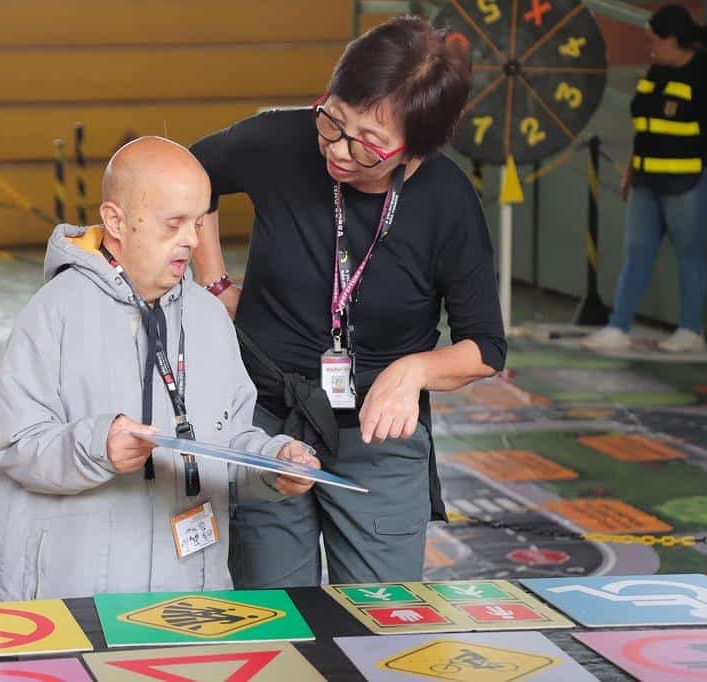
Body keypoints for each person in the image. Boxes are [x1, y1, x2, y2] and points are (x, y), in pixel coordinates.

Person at [189, 16, 507, 587]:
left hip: (379, 439)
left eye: (368, 144)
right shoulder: (279, 141)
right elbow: (190, 174)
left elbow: (485, 347)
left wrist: (415, 371)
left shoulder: (447, 200)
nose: (337, 149)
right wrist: (214, 283)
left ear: (418, 148)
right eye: (333, 119)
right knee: (276, 619)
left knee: (381, 617)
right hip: (267, 423)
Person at [0, 137, 320, 601]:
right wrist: (97, 445)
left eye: (199, 222)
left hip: (188, 595)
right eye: (174, 224)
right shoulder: (54, 312)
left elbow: (228, 440)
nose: (192, 239)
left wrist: (273, 464)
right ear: (116, 221)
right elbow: (18, 448)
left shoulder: (208, 317)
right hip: (77, 597)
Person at [584, 5, 707, 354]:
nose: (649, 48)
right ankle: (619, 325)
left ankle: (691, 329)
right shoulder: (656, 71)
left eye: (654, 41)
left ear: (674, 40)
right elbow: (646, 128)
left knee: (689, 253)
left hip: (692, 180)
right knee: (637, 250)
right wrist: (632, 171)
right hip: (647, 179)